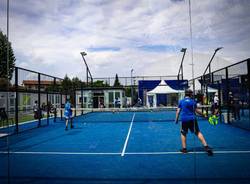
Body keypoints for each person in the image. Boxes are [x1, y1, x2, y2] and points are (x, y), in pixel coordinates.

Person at [175, 89, 213, 155]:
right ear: (190, 94)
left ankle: (184, 149)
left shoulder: (181, 101)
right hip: (192, 119)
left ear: (185, 94)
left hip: (184, 119)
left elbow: (178, 111)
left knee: (183, 133)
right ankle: (206, 146)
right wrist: (203, 114)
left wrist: (176, 120)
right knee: (197, 132)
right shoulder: (193, 101)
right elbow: (196, 111)